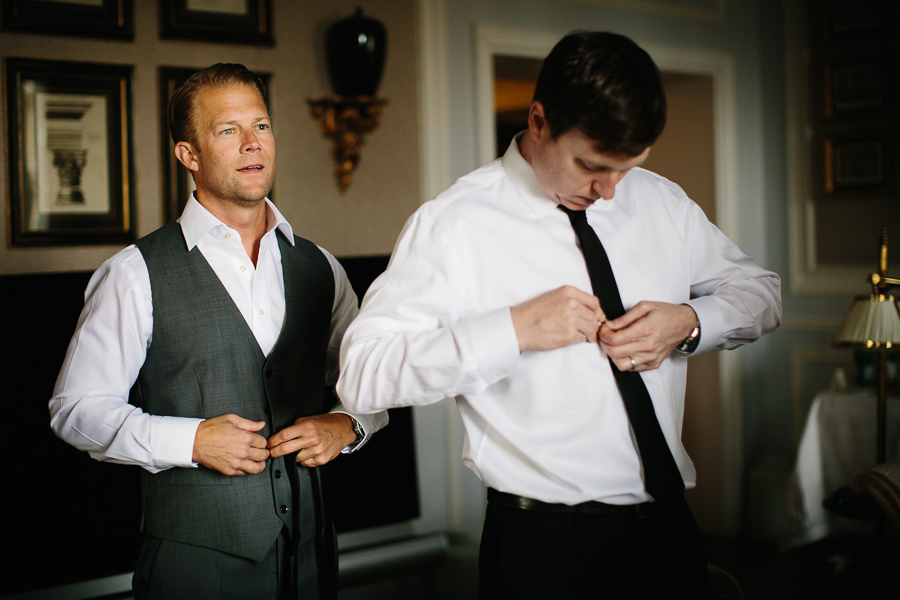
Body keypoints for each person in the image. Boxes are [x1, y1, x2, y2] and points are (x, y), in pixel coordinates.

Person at [337, 31, 781, 598]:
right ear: (539, 120)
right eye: (591, 165)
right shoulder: (454, 223)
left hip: (671, 531)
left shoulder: (662, 201)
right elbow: (363, 374)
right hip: (546, 547)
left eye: (628, 168)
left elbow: (762, 293)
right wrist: (512, 330)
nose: (611, 192)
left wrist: (689, 322)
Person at [49, 63, 388, 600]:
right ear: (189, 155)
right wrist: (192, 441)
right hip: (194, 570)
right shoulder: (134, 273)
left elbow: (376, 377)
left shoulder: (320, 266)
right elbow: (75, 410)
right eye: (228, 130)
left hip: (312, 557)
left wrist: (348, 424)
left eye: (262, 126)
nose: (253, 143)